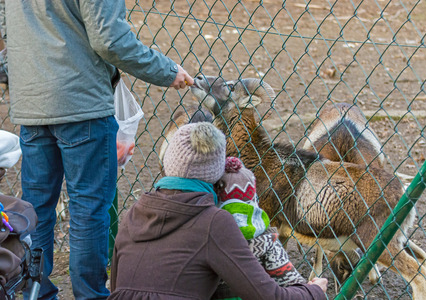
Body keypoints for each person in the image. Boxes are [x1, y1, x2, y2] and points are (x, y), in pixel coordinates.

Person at [3, 1, 194, 299]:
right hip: (82, 104)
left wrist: (18, 69)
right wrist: (167, 71)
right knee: (88, 210)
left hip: (31, 102)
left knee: (36, 207)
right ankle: (89, 294)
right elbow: (110, 40)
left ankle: (33, 291)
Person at [109, 122, 327, 300]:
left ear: (168, 162)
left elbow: (116, 287)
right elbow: (267, 295)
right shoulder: (213, 222)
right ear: (218, 173)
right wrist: (314, 291)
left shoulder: (132, 215)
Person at [212, 156, 310, 300]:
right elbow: (290, 279)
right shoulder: (266, 239)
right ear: (254, 198)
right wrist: (310, 289)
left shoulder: (207, 234)